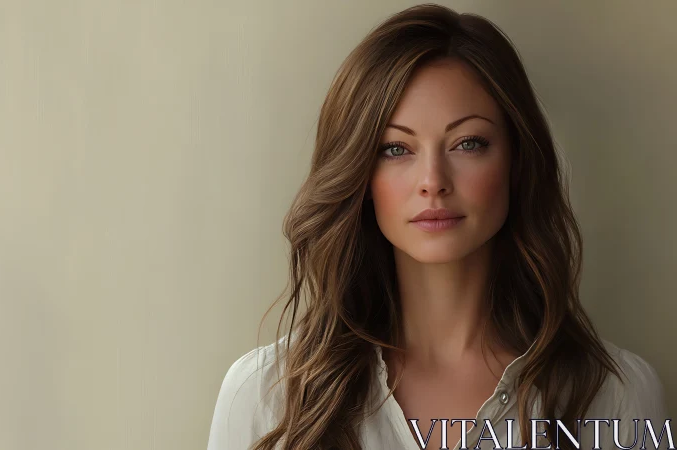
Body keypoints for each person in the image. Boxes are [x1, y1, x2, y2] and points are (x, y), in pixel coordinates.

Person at [208, 4, 670, 450]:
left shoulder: (615, 395)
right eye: (396, 149)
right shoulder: (267, 397)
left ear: (517, 162)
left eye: (468, 143)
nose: (433, 181)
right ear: (361, 175)